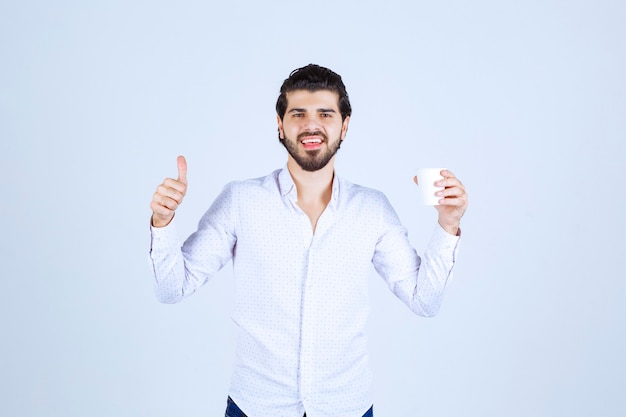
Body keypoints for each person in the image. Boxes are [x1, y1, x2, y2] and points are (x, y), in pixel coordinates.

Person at [149, 64, 468, 417]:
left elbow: (425, 301)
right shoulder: (240, 201)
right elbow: (172, 289)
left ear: (344, 126)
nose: (311, 125)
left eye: (325, 114)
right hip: (256, 406)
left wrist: (447, 224)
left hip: (347, 406)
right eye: (298, 113)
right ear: (280, 124)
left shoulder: (372, 208)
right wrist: (163, 223)